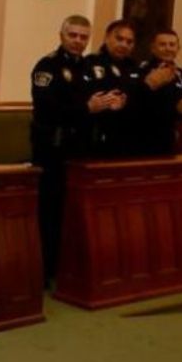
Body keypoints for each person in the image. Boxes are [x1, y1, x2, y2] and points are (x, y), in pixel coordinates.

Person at [30, 15, 98, 281]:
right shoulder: (47, 66)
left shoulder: (89, 68)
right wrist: (86, 109)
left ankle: (68, 268)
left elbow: (94, 101)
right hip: (53, 151)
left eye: (83, 37)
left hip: (81, 150)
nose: (78, 41)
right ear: (62, 35)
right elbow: (47, 109)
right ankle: (45, 272)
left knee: (75, 212)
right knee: (50, 213)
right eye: (73, 35)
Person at [134, 29, 182, 156]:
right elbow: (141, 106)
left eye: (172, 45)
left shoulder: (180, 73)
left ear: (178, 48)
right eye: (162, 44)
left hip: (170, 138)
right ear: (153, 48)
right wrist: (177, 109)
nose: (168, 48)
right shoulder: (143, 71)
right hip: (144, 140)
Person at [84, 19, 142, 156]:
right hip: (96, 135)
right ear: (107, 38)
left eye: (129, 42)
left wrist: (125, 102)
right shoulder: (90, 63)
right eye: (119, 39)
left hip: (127, 137)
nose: (124, 45)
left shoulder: (135, 67)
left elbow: (140, 98)